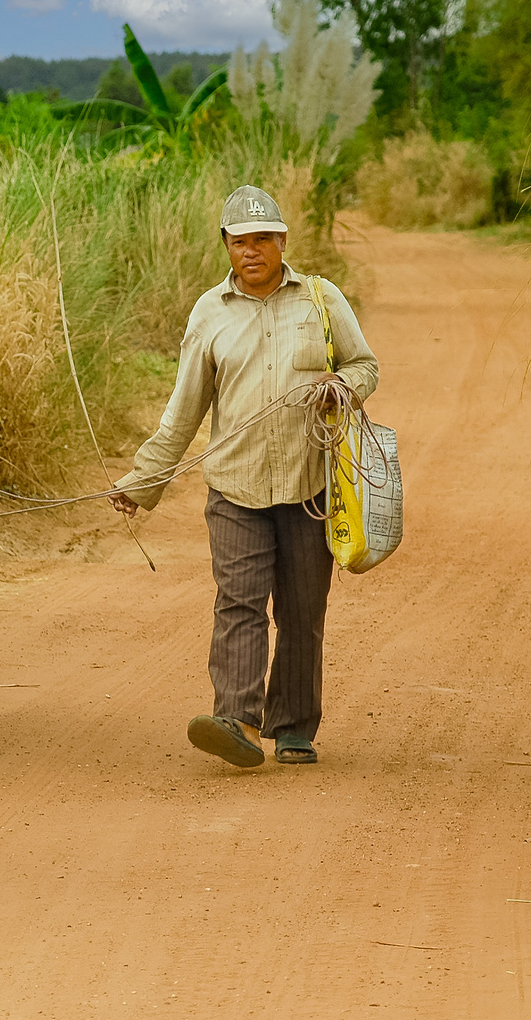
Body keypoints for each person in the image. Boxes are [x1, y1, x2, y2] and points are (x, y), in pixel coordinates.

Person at [109, 186, 378, 767]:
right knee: (239, 602)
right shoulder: (209, 312)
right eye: (240, 241)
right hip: (236, 486)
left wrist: (343, 387)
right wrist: (142, 482)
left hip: (311, 488)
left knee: (304, 613)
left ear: (283, 242)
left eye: (263, 240)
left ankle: (294, 727)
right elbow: (183, 410)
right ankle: (235, 719)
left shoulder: (323, 301)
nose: (252, 251)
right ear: (225, 246)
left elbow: (364, 365)